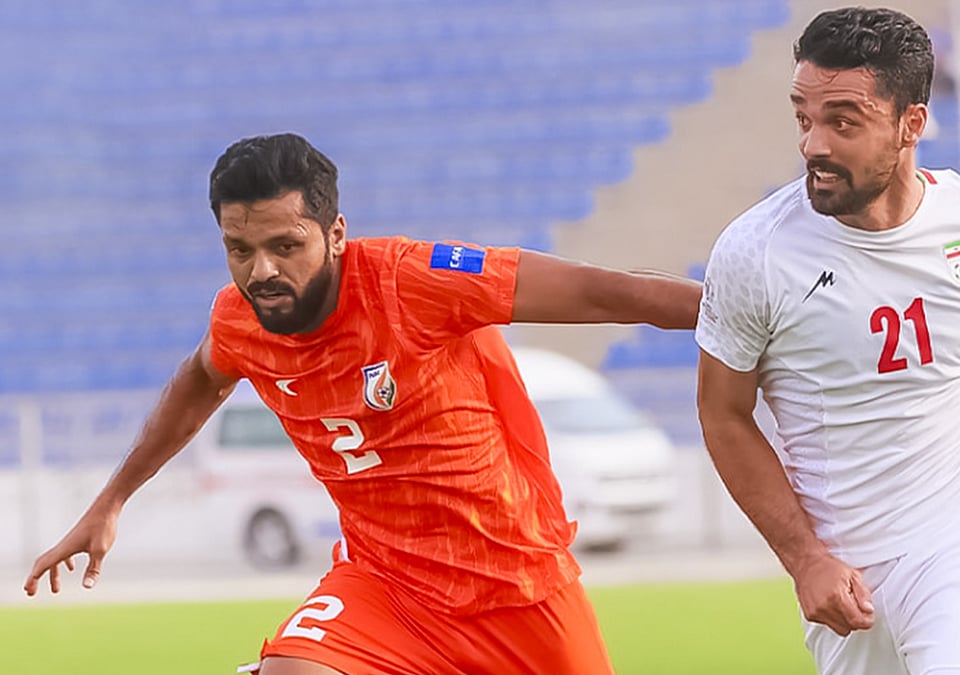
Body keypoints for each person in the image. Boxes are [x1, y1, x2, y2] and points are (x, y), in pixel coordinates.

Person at [24, 132, 701, 675]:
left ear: (335, 233)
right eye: (240, 249)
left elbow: (604, 291)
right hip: (386, 587)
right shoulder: (239, 319)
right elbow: (200, 379)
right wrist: (112, 499)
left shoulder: (415, 281)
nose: (261, 270)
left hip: (516, 585)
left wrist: (747, 318)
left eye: (285, 246)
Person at [694, 7, 960, 675]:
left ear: (911, 125)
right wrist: (804, 557)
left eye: (843, 121)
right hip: (849, 576)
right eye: (803, 118)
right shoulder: (755, 253)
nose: (814, 144)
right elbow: (723, 414)